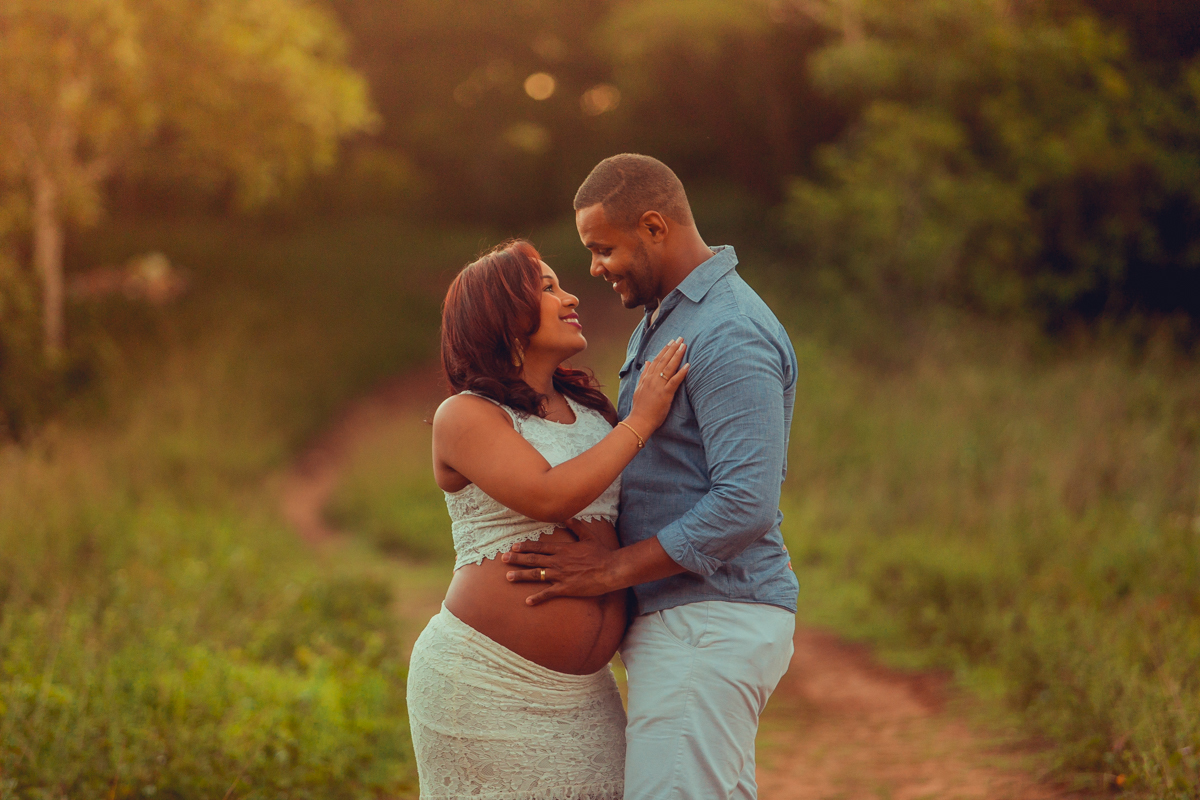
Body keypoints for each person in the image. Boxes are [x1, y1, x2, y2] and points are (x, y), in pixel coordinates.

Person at [502, 153, 800, 800]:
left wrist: (612, 570)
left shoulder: (729, 331)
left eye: (603, 248)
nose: (594, 268)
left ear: (655, 227)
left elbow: (746, 503)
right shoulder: (673, 316)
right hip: (691, 622)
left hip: (710, 621)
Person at [406, 239, 688, 800]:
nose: (570, 294)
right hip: (486, 684)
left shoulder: (591, 414)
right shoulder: (463, 414)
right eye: (548, 287)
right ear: (504, 315)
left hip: (588, 692)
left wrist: (612, 565)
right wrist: (644, 420)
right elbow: (547, 495)